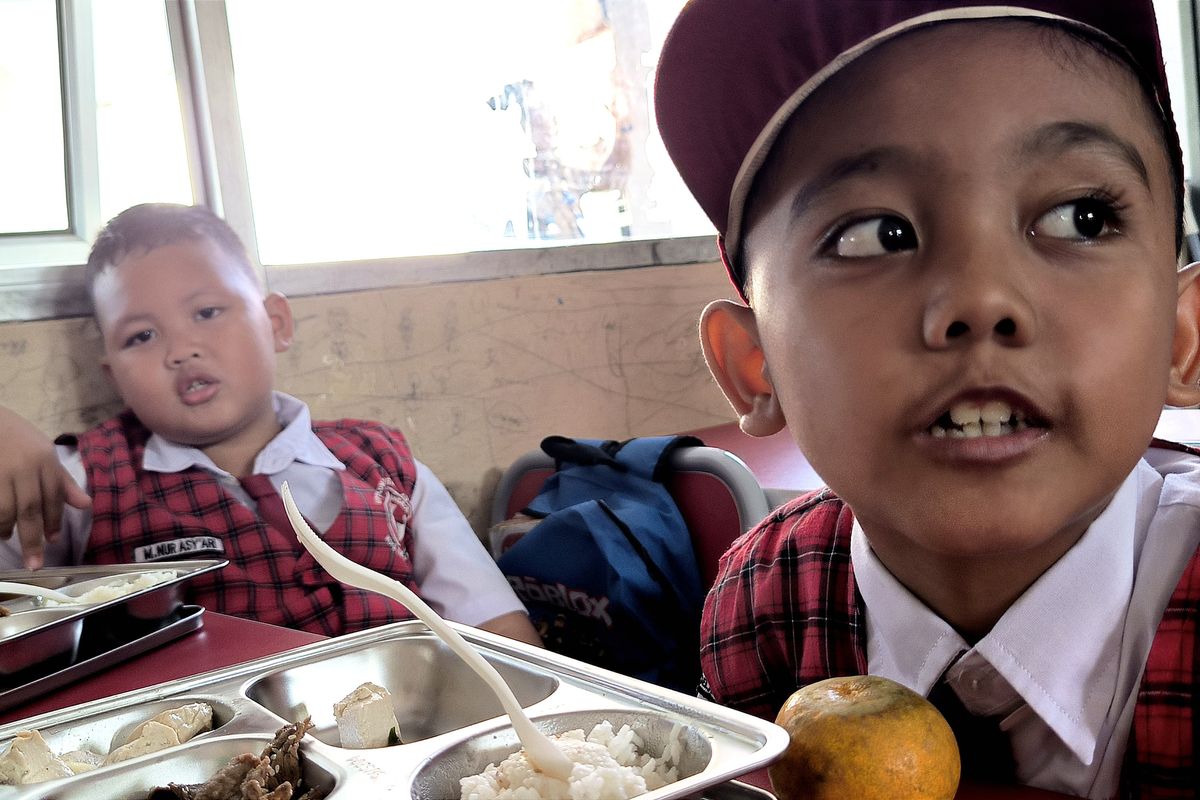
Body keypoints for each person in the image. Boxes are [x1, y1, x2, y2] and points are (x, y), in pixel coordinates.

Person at [655, 1, 1198, 796]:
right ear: (755, 366)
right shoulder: (764, 599)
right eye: (874, 234)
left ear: (1183, 340)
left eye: (1080, 218)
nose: (981, 298)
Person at [0, 203, 541, 646]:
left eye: (208, 312)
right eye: (141, 336)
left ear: (275, 323)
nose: (181, 350)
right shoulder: (80, 483)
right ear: (113, 374)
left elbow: (495, 627)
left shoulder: (386, 467)